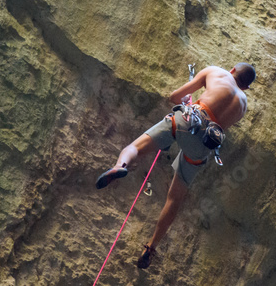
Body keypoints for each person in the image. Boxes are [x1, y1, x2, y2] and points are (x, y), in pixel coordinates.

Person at [95, 63, 256, 269]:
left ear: (232, 70)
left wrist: (186, 101)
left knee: (134, 147)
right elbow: (220, 119)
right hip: (205, 144)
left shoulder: (216, 72)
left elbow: (174, 97)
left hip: (187, 121)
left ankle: (120, 165)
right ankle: (151, 247)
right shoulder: (243, 105)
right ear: (246, 88)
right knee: (174, 197)